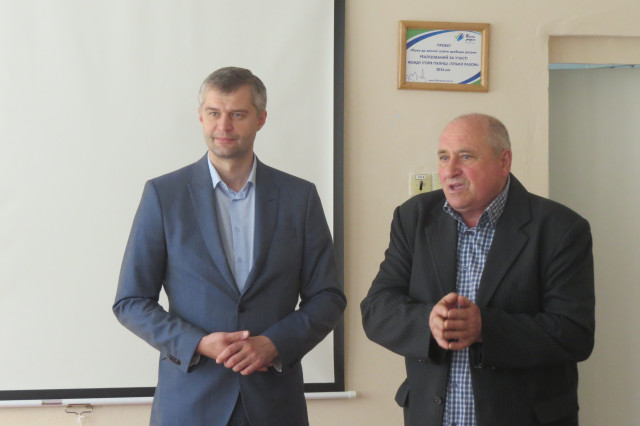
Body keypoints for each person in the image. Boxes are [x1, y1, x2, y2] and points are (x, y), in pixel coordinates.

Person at [113, 67, 346, 426]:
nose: (223, 126)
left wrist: (274, 344)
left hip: (274, 405)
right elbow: (131, 301)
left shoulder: (299, 197)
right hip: (190, 404)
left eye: (237, 114)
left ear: (261, 118)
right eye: (213, 113)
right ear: (200, 116)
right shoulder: (164, 195)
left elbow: (328, 298)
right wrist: (197, 343)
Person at [360, 113, 595, 426]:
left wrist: (485, 328)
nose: (450, 170)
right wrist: (429, 322)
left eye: (466, 156)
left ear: (504, 161)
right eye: (444, 157)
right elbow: (376, 310)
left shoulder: (560, 228)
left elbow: (575, 334)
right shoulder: (413, 218)